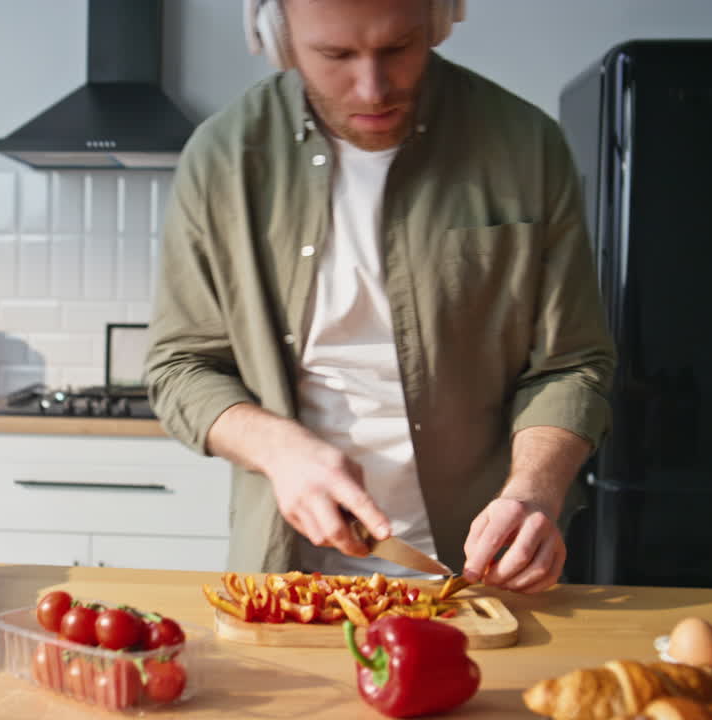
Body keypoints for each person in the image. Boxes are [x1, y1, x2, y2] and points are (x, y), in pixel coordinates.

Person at [145, 0, 616, 594]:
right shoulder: (222, 158)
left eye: (399, 47)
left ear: (441, 20)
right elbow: (179, 365)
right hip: (288, 573)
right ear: (277, 36)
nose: (372, 88)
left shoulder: (527, 147)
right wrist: (280, 449)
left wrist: (534, 492)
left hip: (481, 577)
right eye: (335, 55)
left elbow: (572, 363)